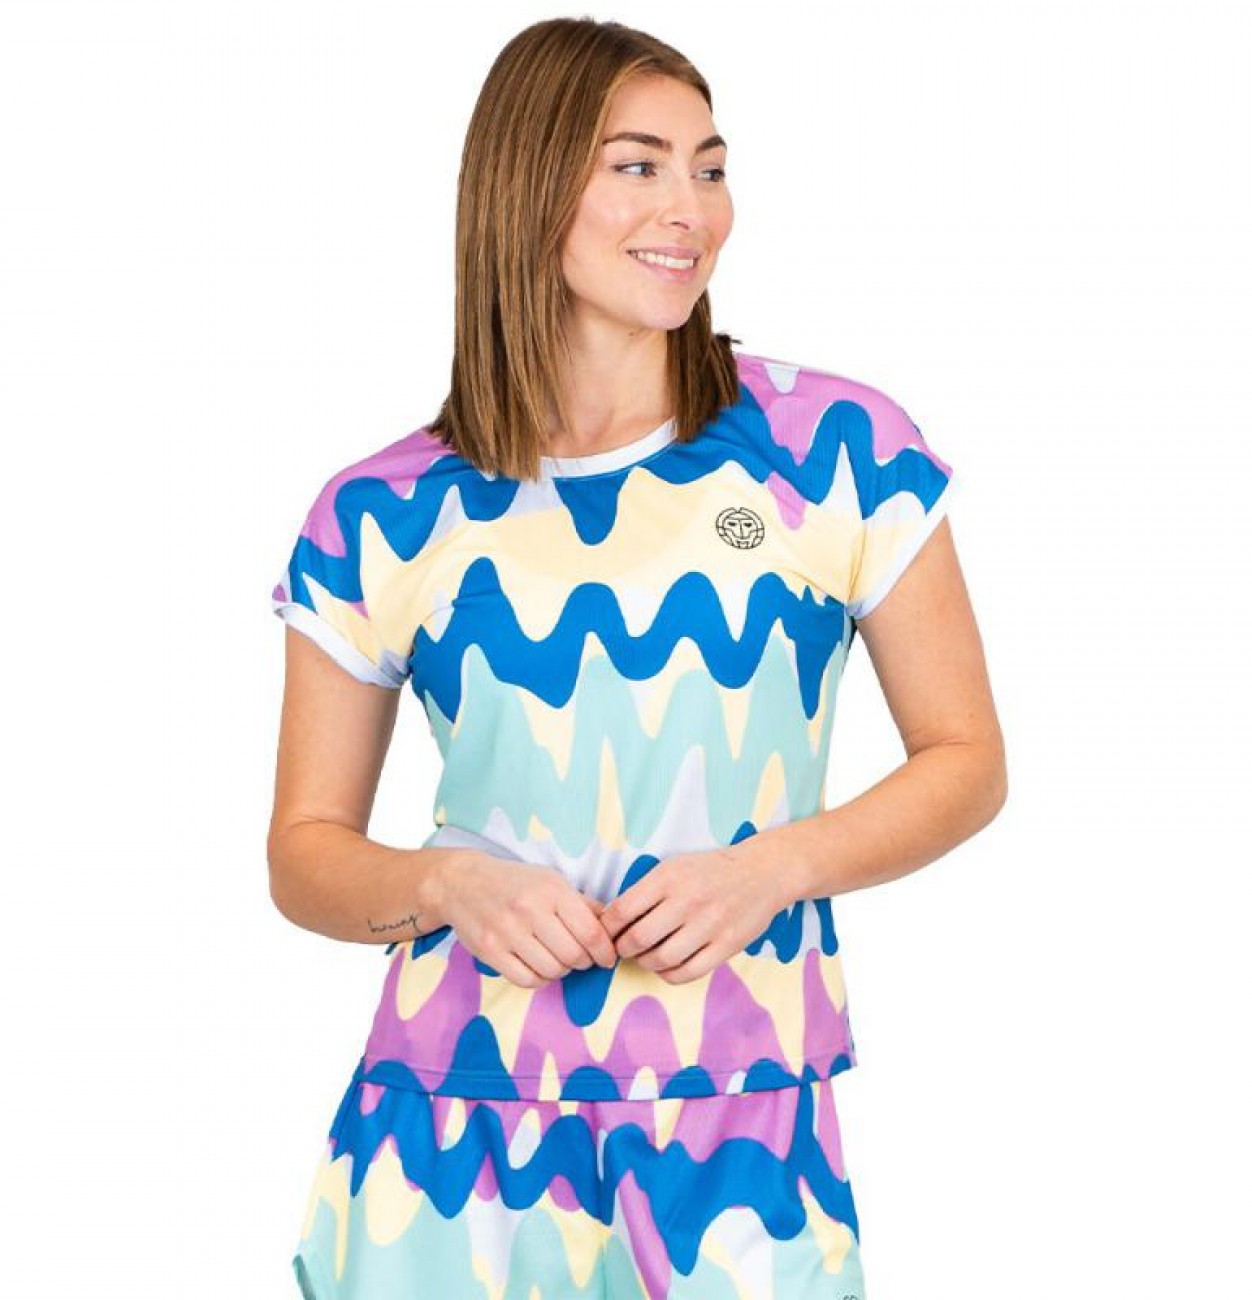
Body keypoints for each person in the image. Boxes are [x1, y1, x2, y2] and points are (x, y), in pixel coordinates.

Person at [267, 16, 1006, 1300]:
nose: (690, 209)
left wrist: (774, 868)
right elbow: (302, 853)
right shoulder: (383, 512)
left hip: (740, 1120)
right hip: (448, 1134)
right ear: (528, 185)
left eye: (709, 168)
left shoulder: (833, 450)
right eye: (639, 165)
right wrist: (447, 885)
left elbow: (967, 758)